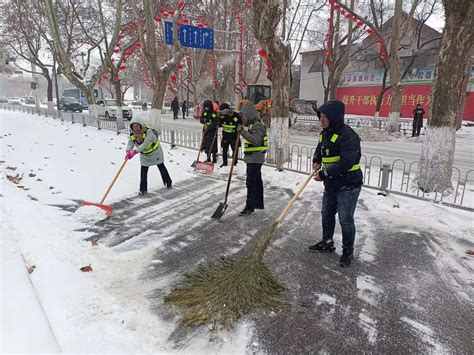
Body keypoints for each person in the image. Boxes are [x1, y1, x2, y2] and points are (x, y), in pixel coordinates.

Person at [308, 100, 363, 268]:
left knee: (345, 219)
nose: (322, 120)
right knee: (327, 213)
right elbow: (321, 148)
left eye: (325, 117)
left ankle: (347, 252)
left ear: (335, 117)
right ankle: (327, 242)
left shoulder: (349, 136)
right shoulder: (325, 132)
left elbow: (347, 162)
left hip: (348, 184)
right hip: (332, 184)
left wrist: (325, 173)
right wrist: (317, 159)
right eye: (321, 116)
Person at [125, 116, 172, 194]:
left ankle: (168, 182)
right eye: (134, 126)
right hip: (144, 155)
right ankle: (143, 189)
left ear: (141, 125)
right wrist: (128, 151)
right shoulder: (133, 134)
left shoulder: (148, 132)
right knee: (143, 170)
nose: (135, 128)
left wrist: (134, 152)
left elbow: (145, 144)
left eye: (137, 125)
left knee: (161, 167)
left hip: (155, 152)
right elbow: (131, 142)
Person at [238, 102, 268, 216]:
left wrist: (242, 132)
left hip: (255, 158)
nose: (243, 119)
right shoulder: (253, 124)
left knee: (251, 182)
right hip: (253, 157)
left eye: (244, 116)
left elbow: (255, 140)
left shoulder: (257, 125)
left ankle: (249, 207)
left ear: (249, 115)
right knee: (256, 181)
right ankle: (257, 203)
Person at [218, 102, 242, 168]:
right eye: (222, 111)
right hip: (225, 135)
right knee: (224, 149)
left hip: (234, 135)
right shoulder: (222, 116)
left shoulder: (234, 115)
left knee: (234, 149)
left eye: (224, 111)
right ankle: (224, 162)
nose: (223, 113)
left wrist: (238, 126)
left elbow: (239, 122)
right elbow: (219, 124)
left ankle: (234, 163)